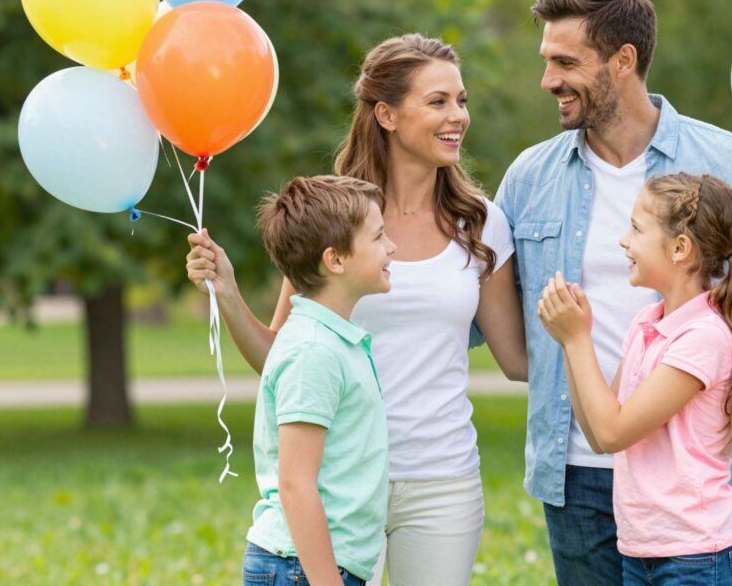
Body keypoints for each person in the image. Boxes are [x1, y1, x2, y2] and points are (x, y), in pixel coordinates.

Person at [494, 0, 732, 585]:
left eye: (565, 62)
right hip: (581, 477)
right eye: (546, 61)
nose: (548, 81)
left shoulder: (728, 162)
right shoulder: (528, 177)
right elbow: (485, 304)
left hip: (704, 478)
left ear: (623, 60)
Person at [186, 34, 527, 586]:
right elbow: (281, 354)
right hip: (337, 480)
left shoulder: (481, 223)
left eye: (461, 100)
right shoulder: (338, 219)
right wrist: (226, 292)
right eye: (437, 101)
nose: (458, 116)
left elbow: (517, 357)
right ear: (386, 114)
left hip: (440, 479)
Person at [538, 173, 732, 585]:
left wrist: (577, 341)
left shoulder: (704, 337)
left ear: (680, 248)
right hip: (644, 552)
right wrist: (568, 340)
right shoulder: (648, 323)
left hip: (699, 559)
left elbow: (612, 433)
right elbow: (598, 430)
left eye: (637, 228)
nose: (624, 240)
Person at [242, 174, 395, 586]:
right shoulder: (313, 350)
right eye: (378, 237)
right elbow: (296, 483)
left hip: (312, 566)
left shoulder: (332, 339)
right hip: (301, 569)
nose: (391, 247)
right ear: (336, 260)